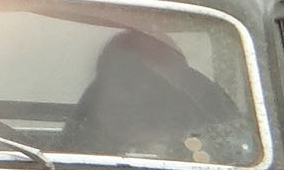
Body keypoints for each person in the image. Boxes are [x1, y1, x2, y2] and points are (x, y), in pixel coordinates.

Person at [60, 29, 242, 160]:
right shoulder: (93, 105)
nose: (143, 82)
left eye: (157, 64)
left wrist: (175, 149)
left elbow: (235, 156)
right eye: (126, 68)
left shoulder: (210, 105)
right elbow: (67, 158)